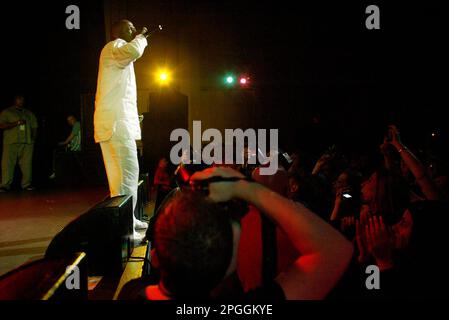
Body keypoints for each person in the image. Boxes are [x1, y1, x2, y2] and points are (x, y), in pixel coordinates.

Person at [120, 166, 354, 300]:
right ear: (229, 268)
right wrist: (244, 187)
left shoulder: (130, 294)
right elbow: (336, 250)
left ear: (155, 256)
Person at [94, 20, 150, 238]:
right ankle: (125, 227)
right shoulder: (114, 47)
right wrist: (143, 37)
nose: (134, 30)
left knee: (119, 179)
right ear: (118, 32)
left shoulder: (114, 54)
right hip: (115, 125)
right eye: (130, 28)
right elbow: (134, 50)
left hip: (113, 123)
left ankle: (127, 220)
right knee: (128, 173)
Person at [0, 95, 38, 192]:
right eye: (19, 99)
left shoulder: (29, 113)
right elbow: (1, 125)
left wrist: (33, 138)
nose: (21, 101)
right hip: (11, 142)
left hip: (27, 142)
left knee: (27, 164)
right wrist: (16, 123)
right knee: (7, 164)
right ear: (14, 100)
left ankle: (26, 184)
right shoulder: (7, 112)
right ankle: (5, 185)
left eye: (22, 99)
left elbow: (34, 127)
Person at [49, 115, 82, 179]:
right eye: (68, 120)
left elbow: (71, 136)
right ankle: (57, 172)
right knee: (57, 152)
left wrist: (65, 142)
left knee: (58, 154)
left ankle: (57, 173)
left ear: (74, 119)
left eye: (71, 119)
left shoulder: (77, 124)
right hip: (73, 147)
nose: (70, 121)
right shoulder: (75, 126)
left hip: (76, 148)